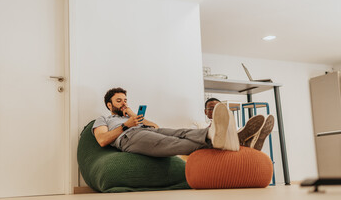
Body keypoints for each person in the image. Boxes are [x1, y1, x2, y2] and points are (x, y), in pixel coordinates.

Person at [92, 87, 272, 157]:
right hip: (128, 137)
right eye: (119, 101)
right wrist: (126, 125)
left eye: (125, 100)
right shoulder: (103, 119)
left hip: (145, 131)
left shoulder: (130, 116)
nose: (124, 103)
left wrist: (132, 116)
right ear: (109, 105)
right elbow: (102, 140)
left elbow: (154, 127)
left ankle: (217, 134)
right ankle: (239, 142)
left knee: (182, 132)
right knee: (175, 143)